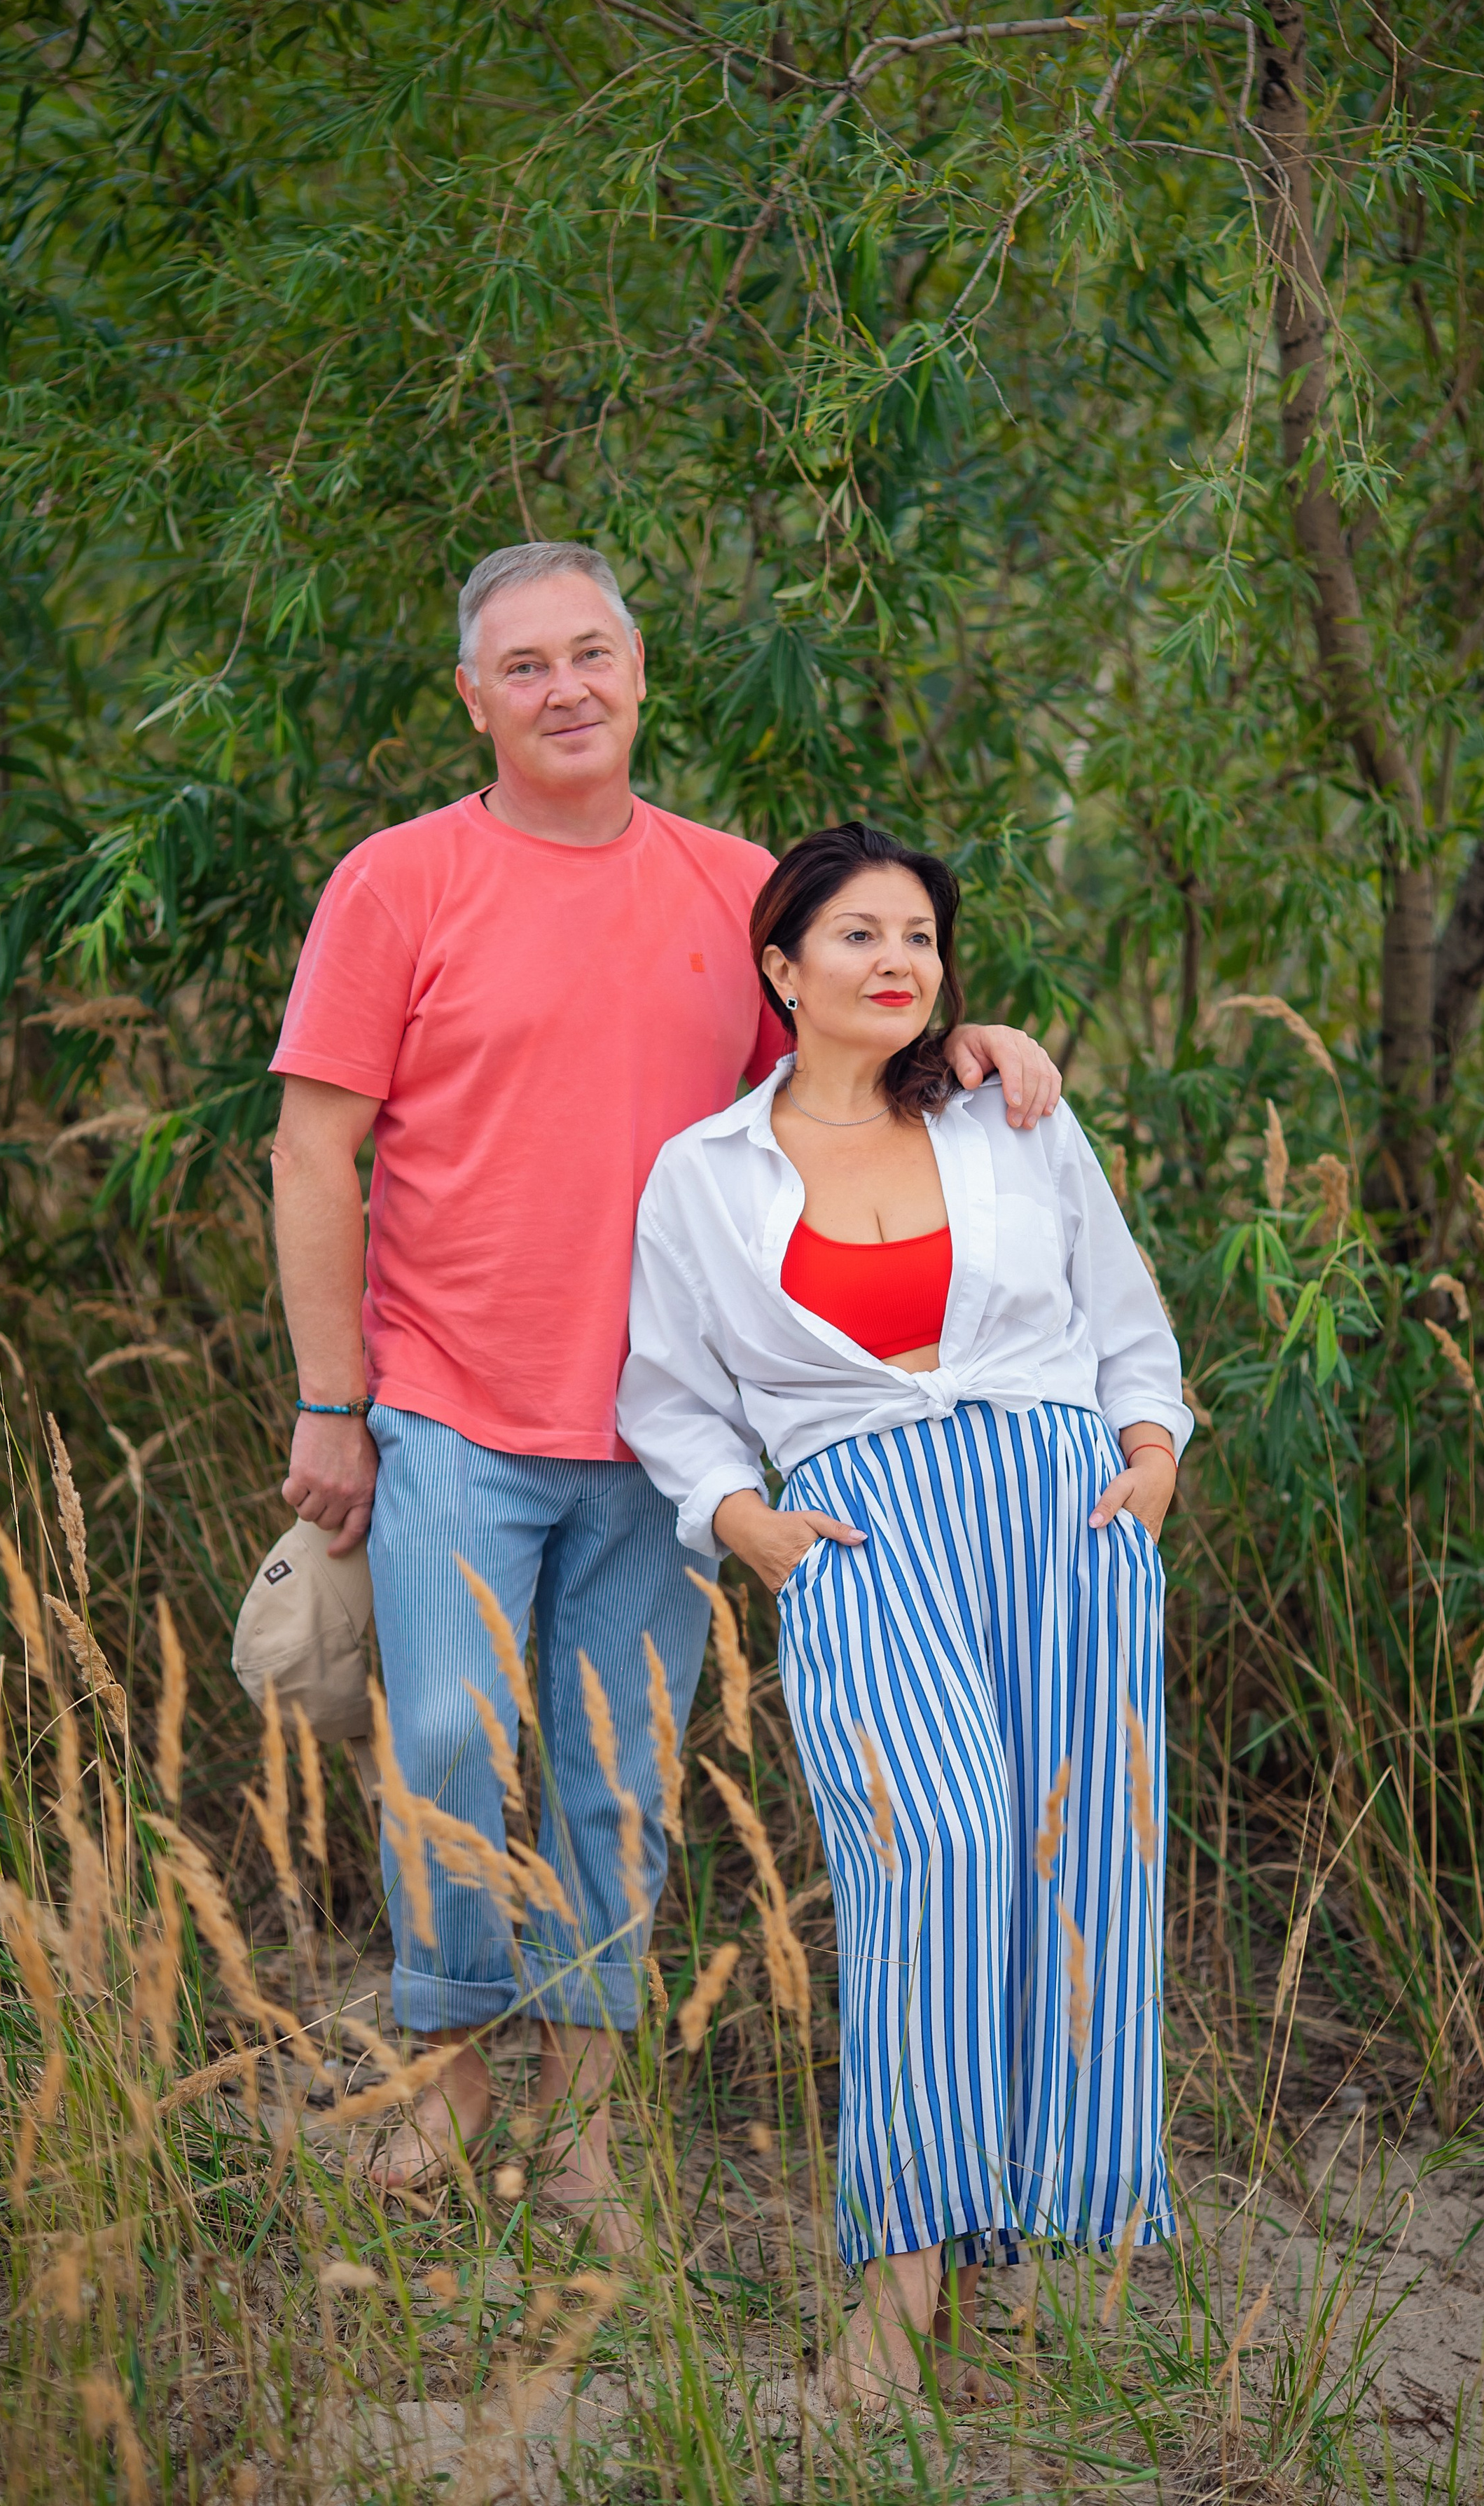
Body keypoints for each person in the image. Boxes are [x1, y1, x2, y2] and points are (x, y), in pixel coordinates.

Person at [267, 544, 1061, 2222]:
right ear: (470, 698)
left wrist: (970, 1052)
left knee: (616, 1773)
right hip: (445, 1402)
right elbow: (314, 1146)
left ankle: (584, 2123)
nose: (565, 689)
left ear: (638, 675)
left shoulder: (735, 886)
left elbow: (857, 1060)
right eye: (524, 666)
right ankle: (450, 2078)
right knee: (439, 1747)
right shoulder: (398, 883)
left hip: (670, 1428)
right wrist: (330, 1400)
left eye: (592, 655)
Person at [618, 821, 1189, 2400]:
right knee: (923, 1851)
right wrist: (744, 1526)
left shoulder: (1010, 1121)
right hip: (858, 1535)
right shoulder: (703, 1174)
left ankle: (1046, 2249)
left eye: (920, 939)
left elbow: (1119, 1312)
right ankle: (898, 2283)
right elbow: (669, 1397)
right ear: (780, 969)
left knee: (1080, 1865)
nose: (896, 964)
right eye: (859, 936)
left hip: (1057, 1518)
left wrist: (1149, 1458)